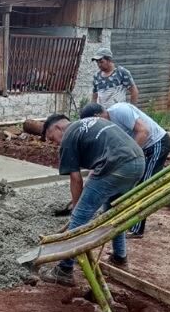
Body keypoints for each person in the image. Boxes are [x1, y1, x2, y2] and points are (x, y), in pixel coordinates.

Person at [40, 114, 145, 286]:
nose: (55, 143)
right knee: (113, 212)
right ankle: (120, 257)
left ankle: (64, 269)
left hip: (116, 165)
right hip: (137, 162)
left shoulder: (68, 136)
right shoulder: (91, 122)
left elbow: (76, 178)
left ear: (58, 128)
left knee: (80, 217)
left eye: (52, 138)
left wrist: (76, 208)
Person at [80, 102, 170, 237]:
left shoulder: (120, 111)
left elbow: (143, 131)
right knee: (129, 185)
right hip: (142, 148)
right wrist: (92, 176)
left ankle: (136, 229)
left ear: (97, 116)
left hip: (156, 144)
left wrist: (128, 157)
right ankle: (118, 216)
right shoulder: (107, 127)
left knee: (143, 187)